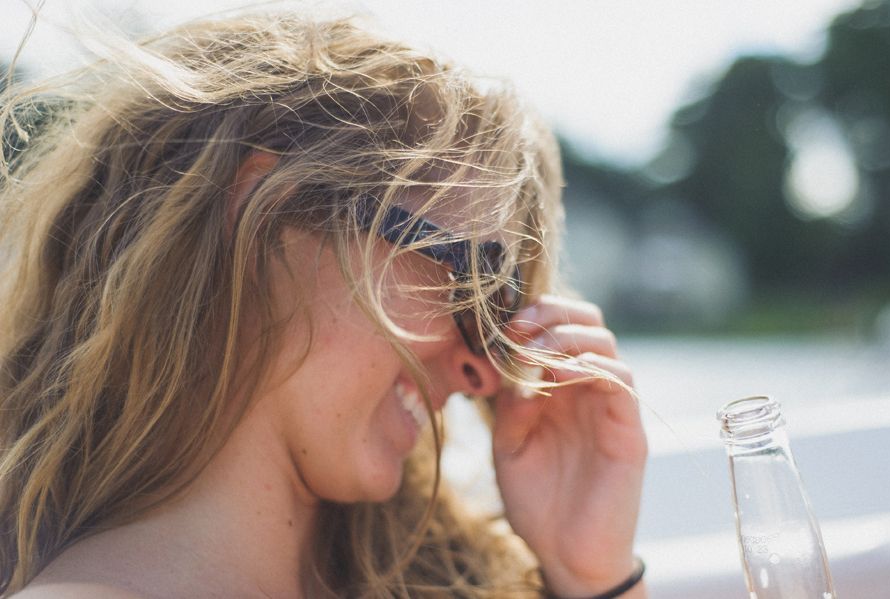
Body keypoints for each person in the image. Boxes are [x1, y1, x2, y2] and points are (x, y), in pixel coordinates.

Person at [0, 9, 648, 598]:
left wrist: (589, 573)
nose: (487, 368)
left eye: (500, 309)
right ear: (267, 210)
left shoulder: (458, 575)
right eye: (467, 280)